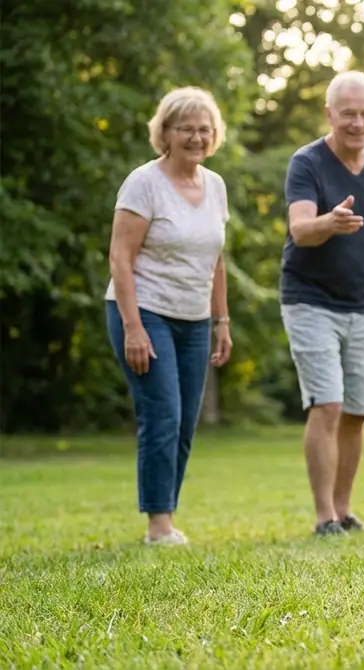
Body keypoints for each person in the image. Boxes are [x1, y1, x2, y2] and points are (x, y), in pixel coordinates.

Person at [281, 70, 364, 536]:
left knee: (358, 409)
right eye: (348, 113)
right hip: (309, 298)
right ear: (329, 114)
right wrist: (328, 223)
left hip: (362, 302)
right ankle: (323, 518)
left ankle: (343, 508)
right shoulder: (307, 163)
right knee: (329, 404)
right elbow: (299, 229)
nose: (357, 123)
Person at [104, 86, 234, 546]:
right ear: (166, 132)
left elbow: (216, 259)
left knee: (183, 423)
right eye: (186, 129)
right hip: (145, 312)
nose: (196, 137)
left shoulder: (215, 185)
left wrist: (222, 321)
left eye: (204, 129)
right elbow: (120, 257)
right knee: (162, 416)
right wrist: (134, 327)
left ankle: (167, 516)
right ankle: (159, 525)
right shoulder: (144, 182)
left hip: (196, 320)